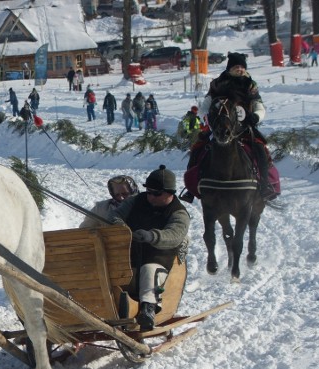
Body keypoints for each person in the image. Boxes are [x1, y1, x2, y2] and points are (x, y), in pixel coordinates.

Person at [108, 165, 190, 332]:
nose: (150, 196)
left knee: (149, 270)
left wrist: (151, 236)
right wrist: (121, 228)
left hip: (159, 257)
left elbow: (174, 234)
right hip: (128, 253)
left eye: (156, 193)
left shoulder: (179, 213)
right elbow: (115, 215)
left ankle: (148, 309)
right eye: (149, 191)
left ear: (170, 193)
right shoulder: (137, 200)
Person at [199, 51, 275, 200]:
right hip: (219, 127)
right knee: (198, 149)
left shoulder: (250, 85)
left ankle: (265, 184)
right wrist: (207, 118)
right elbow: (204, 107)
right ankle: (196, 185)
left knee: (261, 150)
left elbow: (259, 105)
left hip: (244, 129)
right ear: (229, 68)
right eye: (236, 67)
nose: (240, 69)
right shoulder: (216, 84)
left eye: (242, 67)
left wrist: (256, 116)